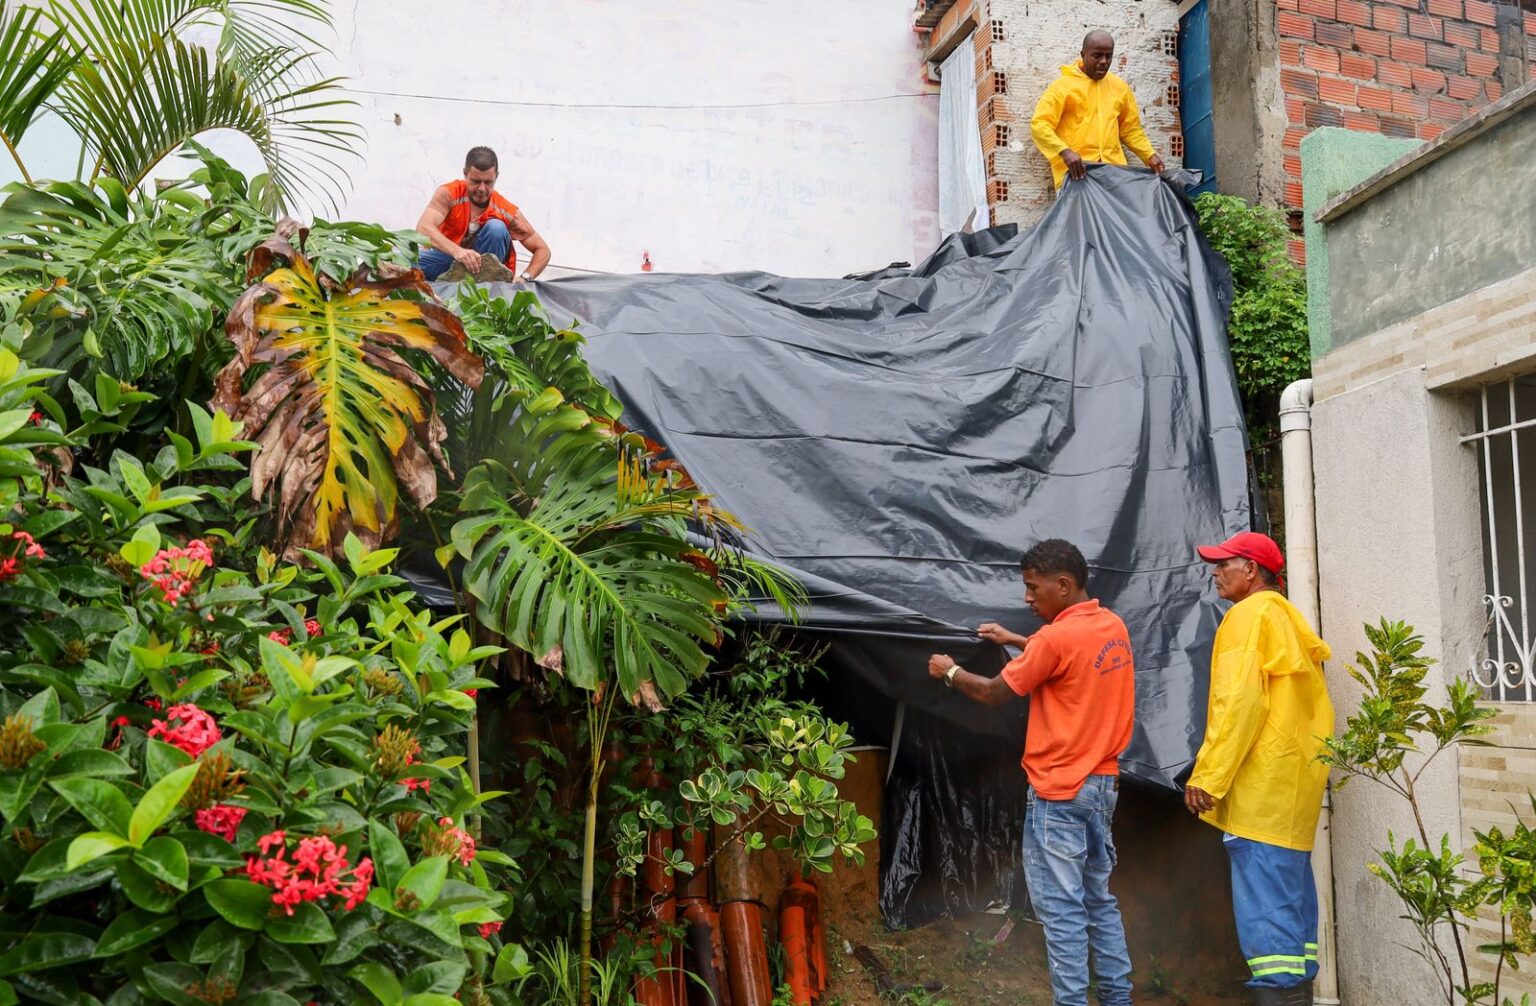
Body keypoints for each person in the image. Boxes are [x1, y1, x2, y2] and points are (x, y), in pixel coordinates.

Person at [928, 539, 1135, 1006]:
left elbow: (993, 692)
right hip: (1101, 788)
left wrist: (948, 671)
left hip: (1058, 793)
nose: (1027, 598)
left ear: (1062, 585)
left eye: (1032, 587)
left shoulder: (1055, 639)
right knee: (1098, 901)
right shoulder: (1111, 626)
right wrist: (1019, 640)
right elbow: (1068, 660)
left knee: (1062, 913)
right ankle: (1118, 1000)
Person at [1184, 531, 1334, 1006]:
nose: (1215, 572)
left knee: (1268, 925)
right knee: (1292, 917)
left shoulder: (1246, 616)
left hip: (1259, 792)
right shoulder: (1287, 617)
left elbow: (1238, 703)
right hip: (1292, 792)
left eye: (1224, 563)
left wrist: (1208, 776)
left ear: (1251, 570)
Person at [1031, 30, 1165, 188]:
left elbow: (1130, 130)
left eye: (1108, 56)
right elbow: (1039, 125)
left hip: (1113, 176)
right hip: (1076, 177)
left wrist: (1149, 155)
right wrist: (1064, 151)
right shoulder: (1062, 87)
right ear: (1083, 54)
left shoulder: (1120, 88)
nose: (1104, 61)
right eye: (1097, 55)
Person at [415, 146, 551, 282]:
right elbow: (423, 228)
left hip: (483, 269)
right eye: (475, 181)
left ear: (496, 176)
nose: (481, 188)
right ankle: (450, 282)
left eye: (488, 182)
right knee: (404, 261)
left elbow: (542, 250)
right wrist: (458, 252)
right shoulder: (449, 193)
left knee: (496, 228)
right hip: (448, 259)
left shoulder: (505, 210)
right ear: (465, 174)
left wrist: (524, 278)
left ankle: (487, 287)